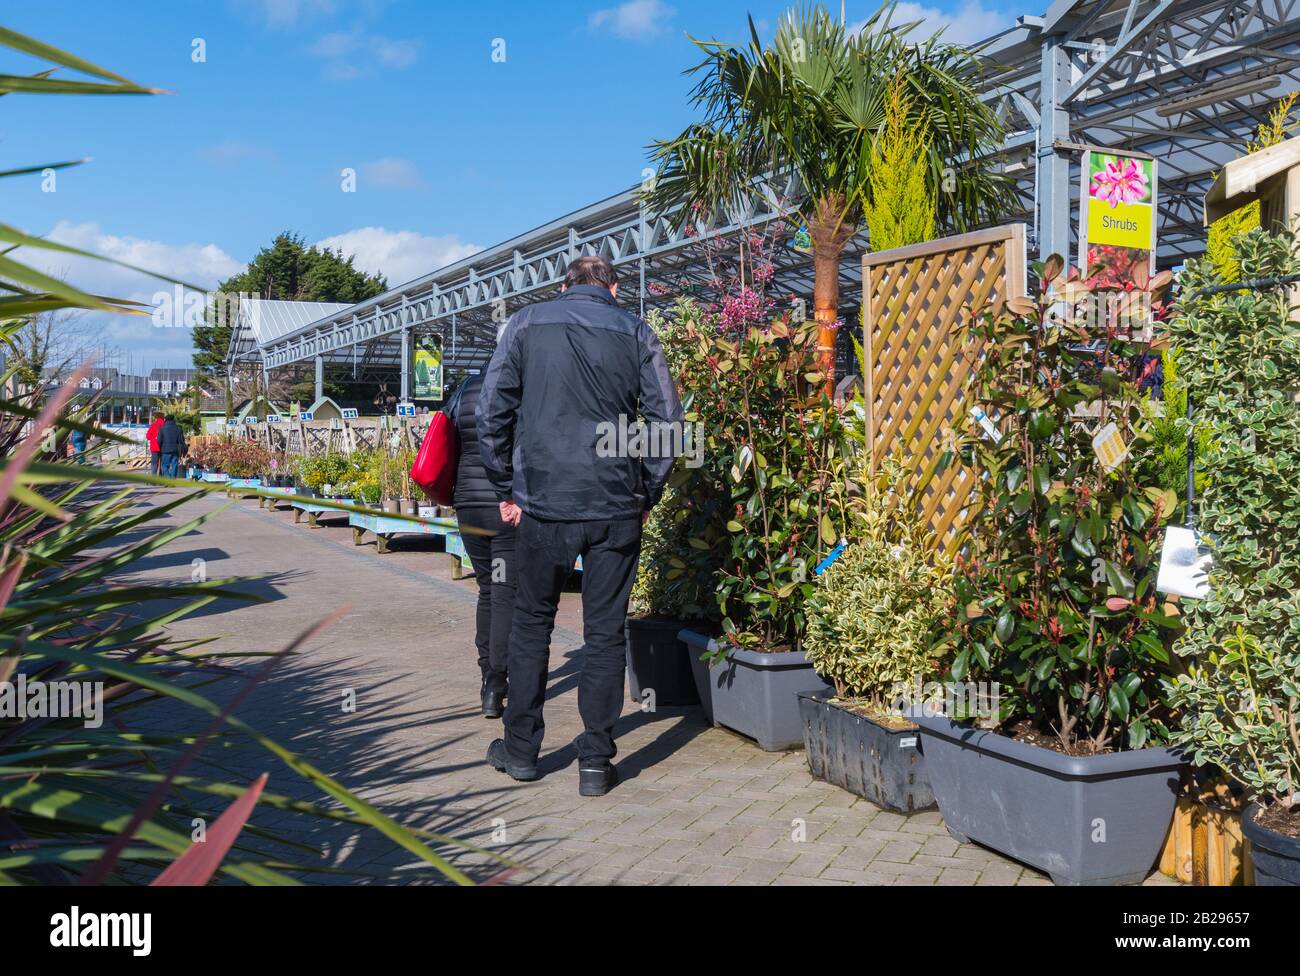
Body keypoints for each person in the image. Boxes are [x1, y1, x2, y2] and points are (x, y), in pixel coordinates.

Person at [477, 255, 683, 797]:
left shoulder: (525, 323)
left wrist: (505, 488)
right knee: (604, 632)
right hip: (615, 505)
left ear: (562, 284)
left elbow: (491, 410)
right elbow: (667, 423)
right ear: (613, 288)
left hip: (543, 504)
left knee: (531, 625)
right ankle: (595, 761)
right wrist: (646, 492)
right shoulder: (637, 330)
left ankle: (521, 751)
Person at [450, 368, 516, 719]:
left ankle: (486, 677)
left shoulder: (465, 389)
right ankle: (497, 681)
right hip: (504, 506)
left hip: (468, 505)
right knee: (504, 591)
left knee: (487, 589)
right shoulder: (518, 386)